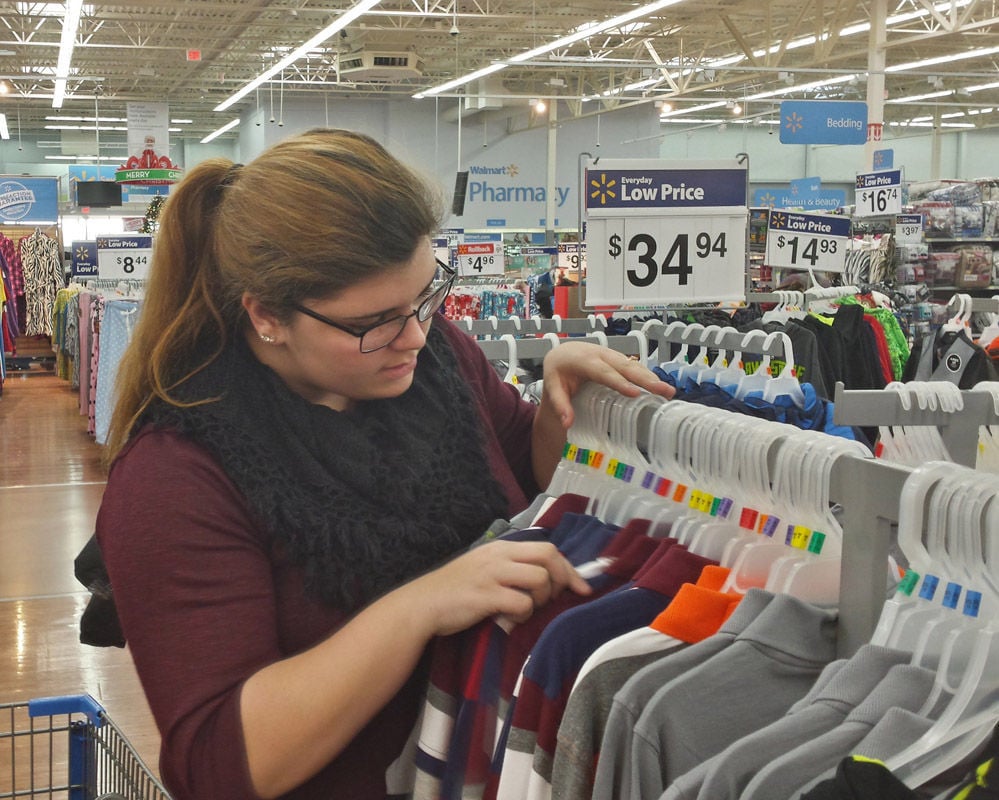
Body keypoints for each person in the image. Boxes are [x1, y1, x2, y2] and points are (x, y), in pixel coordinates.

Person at [95, 128, 673, 800]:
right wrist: (420, 606)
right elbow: (222, 763)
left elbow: (528, 478)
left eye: (427, 297)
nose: (415, 335)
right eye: (374, 322)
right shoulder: (175, 476)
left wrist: (557, 407)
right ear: (267, 316)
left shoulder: (437, 363)